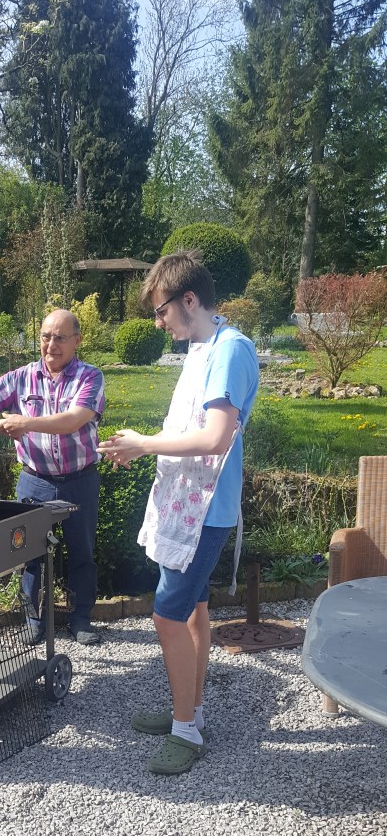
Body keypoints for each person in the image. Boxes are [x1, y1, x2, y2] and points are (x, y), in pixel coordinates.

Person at [98, 250, 259, 775]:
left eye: (161, 310)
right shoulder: (202, 347)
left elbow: (215, 437)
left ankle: (186, 731)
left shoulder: (230, 351)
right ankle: (189, 711)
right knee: (193, 612)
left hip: (204, 513)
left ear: (189, 299)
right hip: (188, 506)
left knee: (167, 615)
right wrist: (140, 445)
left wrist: (145, 444)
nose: (158, 322)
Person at [0, 309, 105, 646]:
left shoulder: (90, 377)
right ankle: (32, 620)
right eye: (45, 336)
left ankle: (81, 619)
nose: (51, 344)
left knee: (82, 552)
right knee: (27, 553)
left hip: (80, 480)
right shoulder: (21, 377)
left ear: (76, 341)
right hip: (35, 480)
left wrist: (24, 422)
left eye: (60, 337)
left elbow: (73, 420)